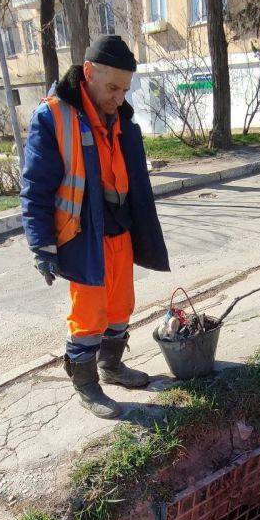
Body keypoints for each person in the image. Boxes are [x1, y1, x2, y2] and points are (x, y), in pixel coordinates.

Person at [21, 35, 170, 419]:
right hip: (82, 236)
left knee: (121, 306)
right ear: (88, 72)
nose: (119, 97)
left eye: (124, 89)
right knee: (89, 315)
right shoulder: (53, 116)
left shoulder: (119, 115)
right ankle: (86, 384)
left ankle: (112, 366)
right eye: (112, 87)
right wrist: (42, 246)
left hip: (119, 229)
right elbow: (35, 188)